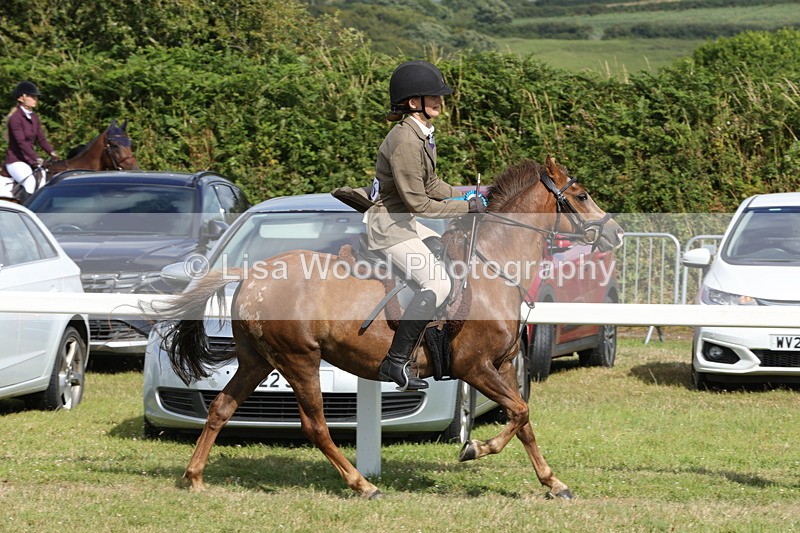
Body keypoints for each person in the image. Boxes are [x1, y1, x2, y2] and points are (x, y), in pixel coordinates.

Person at [366, 60, 486, 391]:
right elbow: (419, 204)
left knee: (443, 250)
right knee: (437, 283)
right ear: (412, 101)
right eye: (432, 96)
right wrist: (465, 207)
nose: (439, 101)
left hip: (405, 221)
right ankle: (395, 362)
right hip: (390, 226)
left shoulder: (421, 134)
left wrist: (468, 195)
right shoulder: (406, 141)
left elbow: (431, 185)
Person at [2, 81, 59, 199]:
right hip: (16, 161)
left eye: (35, 97)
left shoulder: (34, 117)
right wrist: (36, 158)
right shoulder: (15, 118)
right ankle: (26, 209)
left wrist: (52, 153)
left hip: (28, 160)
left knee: (44, 179)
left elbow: (41, 139)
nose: (35, 99)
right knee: (30, 182)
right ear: (21, 98)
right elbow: (21, 143)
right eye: (32, 96)